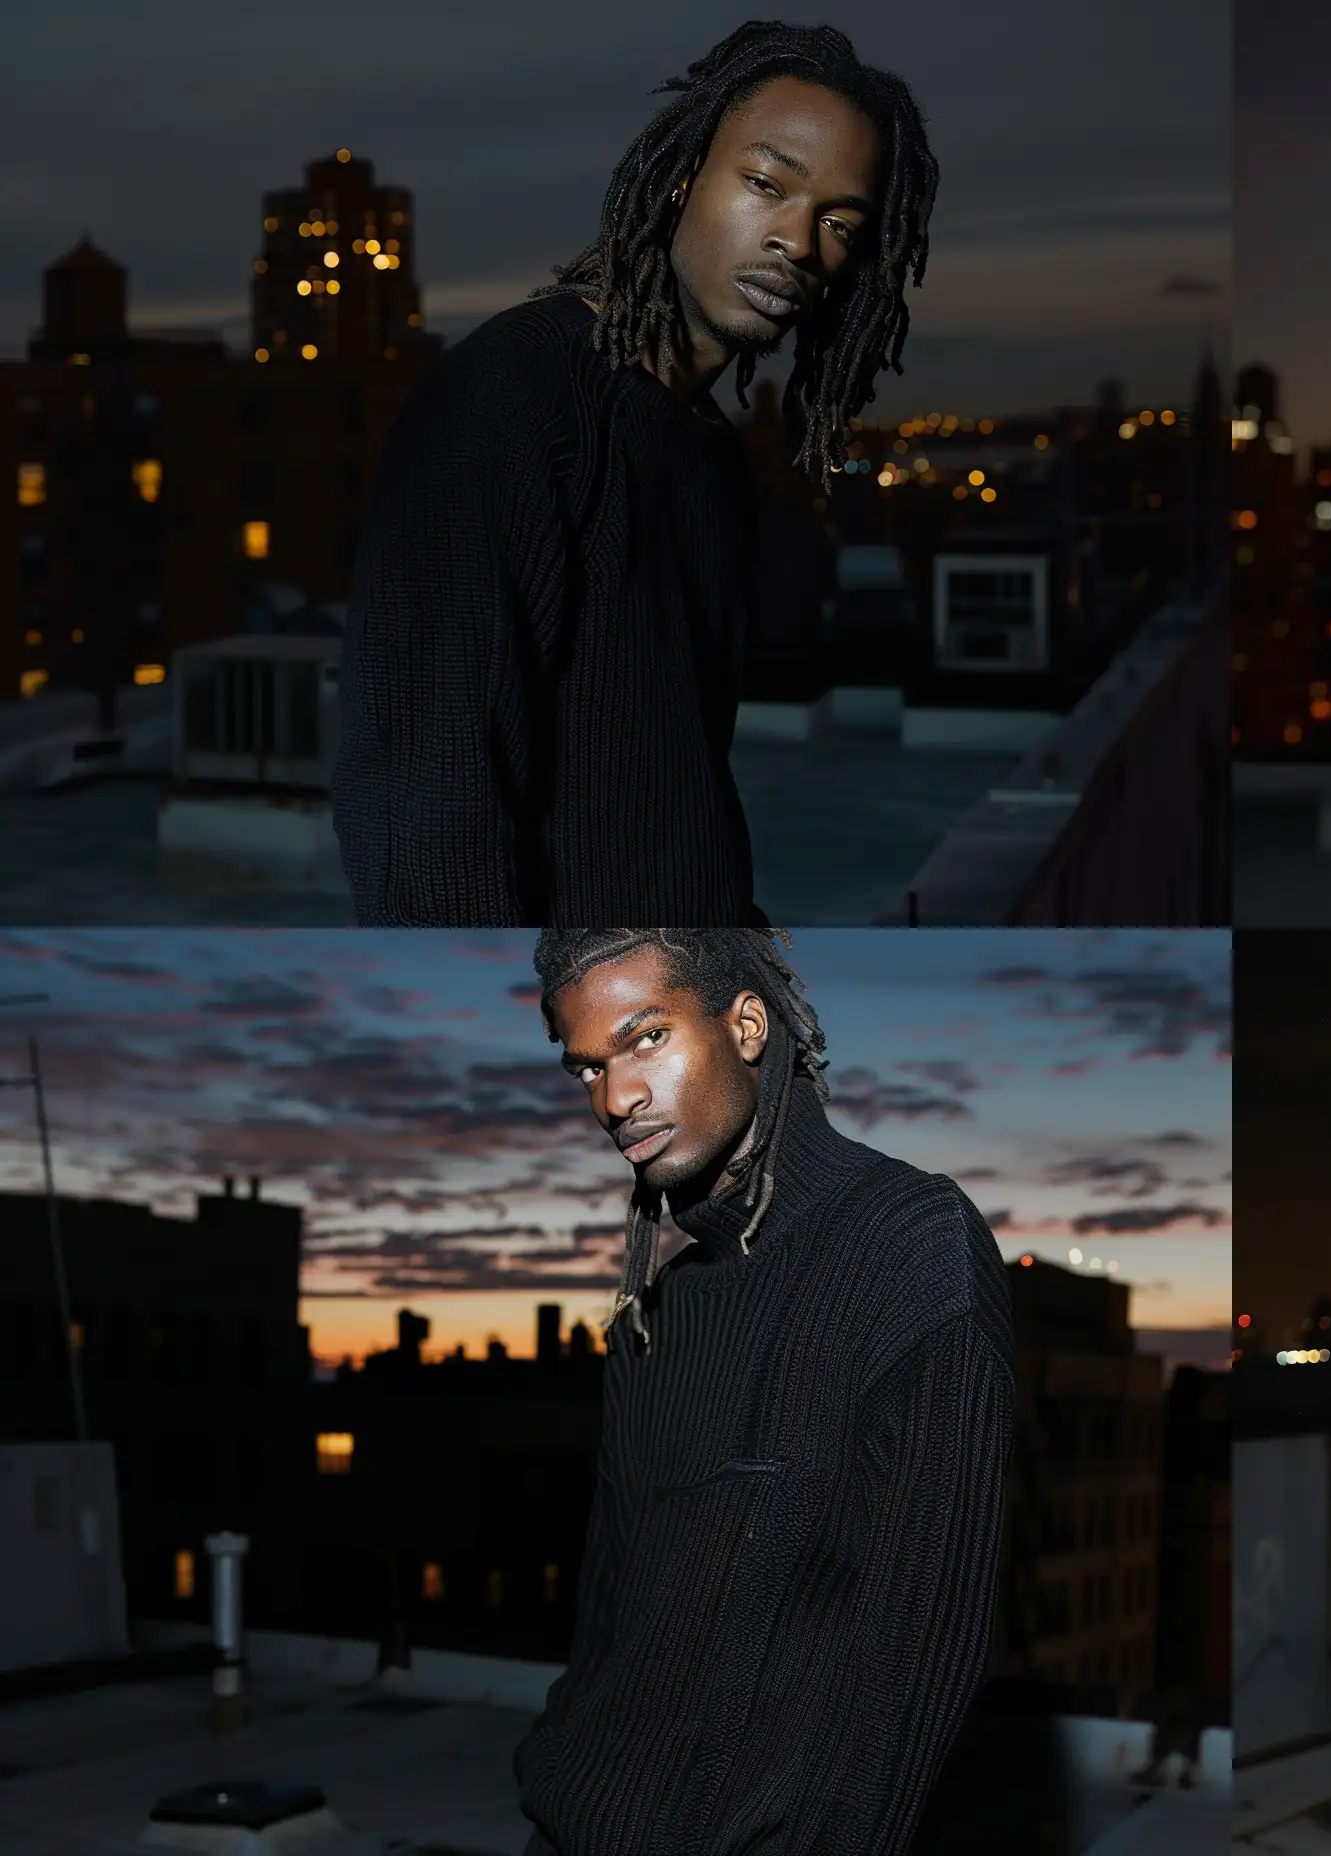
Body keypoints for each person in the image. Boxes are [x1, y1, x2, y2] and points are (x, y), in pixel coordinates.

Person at [335, 24, 937, 924]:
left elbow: (666, 801)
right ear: (682, 174)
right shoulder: (510, 404)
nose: (799, 243)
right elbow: (423, 811)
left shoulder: (711, 460)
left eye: (839, 223)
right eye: (766, 185)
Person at [514, 929, 1011, 1855]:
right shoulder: (654, 1314)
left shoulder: (910, 1247)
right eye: (585, 1070)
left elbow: (916, 1662)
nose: (616, 1099)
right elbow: (608, 1623)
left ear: (745, 1023)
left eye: (646, 1038)